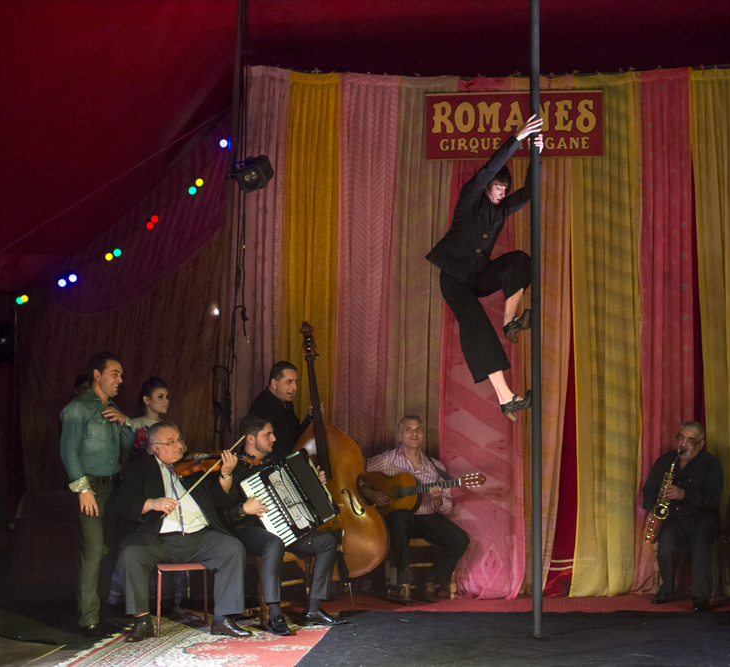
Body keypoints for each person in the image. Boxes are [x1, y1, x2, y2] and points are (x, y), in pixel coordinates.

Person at [425, 114, 544, 421]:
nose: (502, 194)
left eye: (505, 190)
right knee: (476, 325)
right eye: (498, 188)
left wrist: (537, 154)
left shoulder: (500, 211)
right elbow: (489, 168)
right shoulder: (469, 200)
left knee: (520, 260)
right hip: (454, 279)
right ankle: (507, 398)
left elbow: (530, 193)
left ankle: (509, 321)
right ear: (488, 187)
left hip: (478, 277)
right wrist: (518, 139)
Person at [116, 421, 250, 642]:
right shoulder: (138, 469)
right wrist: (151, 502)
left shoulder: (193, 469)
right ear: (155, 448)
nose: (179, 446)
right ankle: (142, 621)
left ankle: (223, 619)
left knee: (232, 548)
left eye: (180, 440)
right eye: (171, 442)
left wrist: (226, 474)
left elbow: (221, 499)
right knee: (130, 555)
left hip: (200, 538)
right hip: (158, 540)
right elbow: (124, 502)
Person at [219, 415, 349, 635]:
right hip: (249, 531)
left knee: (327, 541)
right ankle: (275, 614)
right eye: (268, 434)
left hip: (284, 528)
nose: (274, 438)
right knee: (274, 542)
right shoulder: (234, 468)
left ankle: (313, 611)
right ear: (250, 438)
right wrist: (243, 509)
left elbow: (297, 500)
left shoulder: (274, 465)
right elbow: (222, 512)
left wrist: (314, 483)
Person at [59, 351, 137, 638]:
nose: (120, 379)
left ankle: (100, 612)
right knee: (93, 550)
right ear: (97, 375)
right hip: (89, 487)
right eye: (115, 373)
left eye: (121, 374)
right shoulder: (78, 407)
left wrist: (124, 421)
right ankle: (88, 620)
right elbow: (68, 450)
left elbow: (128, 446)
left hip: (112, 486)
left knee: (108, 551)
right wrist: (82, 489)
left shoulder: (113, 408)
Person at [361, 415, 470, 604]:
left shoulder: (437, 468)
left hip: (426, 518)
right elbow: (358, 476)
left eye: (418, 429)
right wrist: (371, 495)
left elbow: (445, 508)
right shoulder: (387, 460)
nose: (414, 433)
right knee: (402, 516)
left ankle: (429, 581)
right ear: (400, 436)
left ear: (423, 436)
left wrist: (436, 500)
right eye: (409, 429)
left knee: (460, 539)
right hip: (397, 520)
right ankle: (402, 581)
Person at [109, 377, 177, 609]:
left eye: (167, 396)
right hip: (139, 485)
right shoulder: (133, 424)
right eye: (160, 396)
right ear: (146, 400)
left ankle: (166, 599)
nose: (166, 401)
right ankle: (128, 598)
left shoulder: (169, 427)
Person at [641, 421, 723, 611]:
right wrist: (653, 508)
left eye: (690, 440)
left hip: (703, 519)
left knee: (700, 541)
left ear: (701, 444)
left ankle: (700, 597)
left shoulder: (711, 464)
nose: (684, 444)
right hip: (674, 519)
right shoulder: (665, 461)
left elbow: (713, 500)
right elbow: (649, 491)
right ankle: (667, 587)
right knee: (666, 545)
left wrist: (684, 494)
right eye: (681, 438)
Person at [247, 361, 312, 460]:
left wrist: (310, 417)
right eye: (289, 382)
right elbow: (264, 450)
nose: (294, 387)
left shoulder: (287, 403)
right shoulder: (263, 406)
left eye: (296, 382)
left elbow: (295, 435)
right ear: (274, 384)